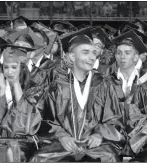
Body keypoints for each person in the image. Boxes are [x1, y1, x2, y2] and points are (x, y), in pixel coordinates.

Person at [29, 28, 125, 162]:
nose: (92, 57)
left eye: (94, 53)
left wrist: (98, 134)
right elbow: (46, 118)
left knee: (110, 157)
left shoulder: (104, 84)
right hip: (63, 144)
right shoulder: (57, 85)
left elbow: (113, 118)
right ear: (72, 57)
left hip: (94, 145)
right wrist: (62, 136)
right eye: (85, 52)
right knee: (39, 158)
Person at [0, 44, 41, 162]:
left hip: (23, 141)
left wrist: (16, 84)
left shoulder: (34, 89)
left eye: (14, 67)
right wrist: (2, 91)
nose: (10, 72)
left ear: (23, 68)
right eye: (6, 67)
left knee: (14, 151)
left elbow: (27, 122)